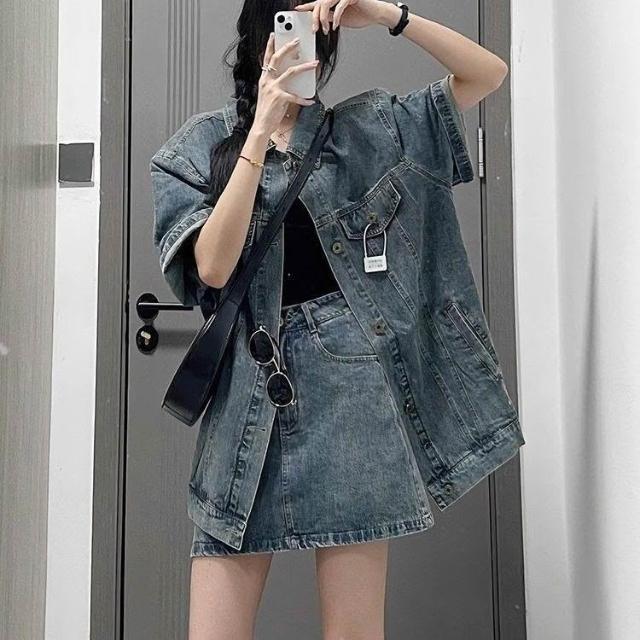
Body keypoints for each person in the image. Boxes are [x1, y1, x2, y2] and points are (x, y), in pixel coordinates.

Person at [149, 1, 519, 639]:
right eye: (288, 29)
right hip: (246, 402)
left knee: (353, 632)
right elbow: (211, 266)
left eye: (314, 35)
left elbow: (487, 74)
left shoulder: (368, 129)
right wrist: (260, 134)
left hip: (354, 398)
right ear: (260, 37)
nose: (304, 48)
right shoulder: (196, 148)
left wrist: (387, 15)